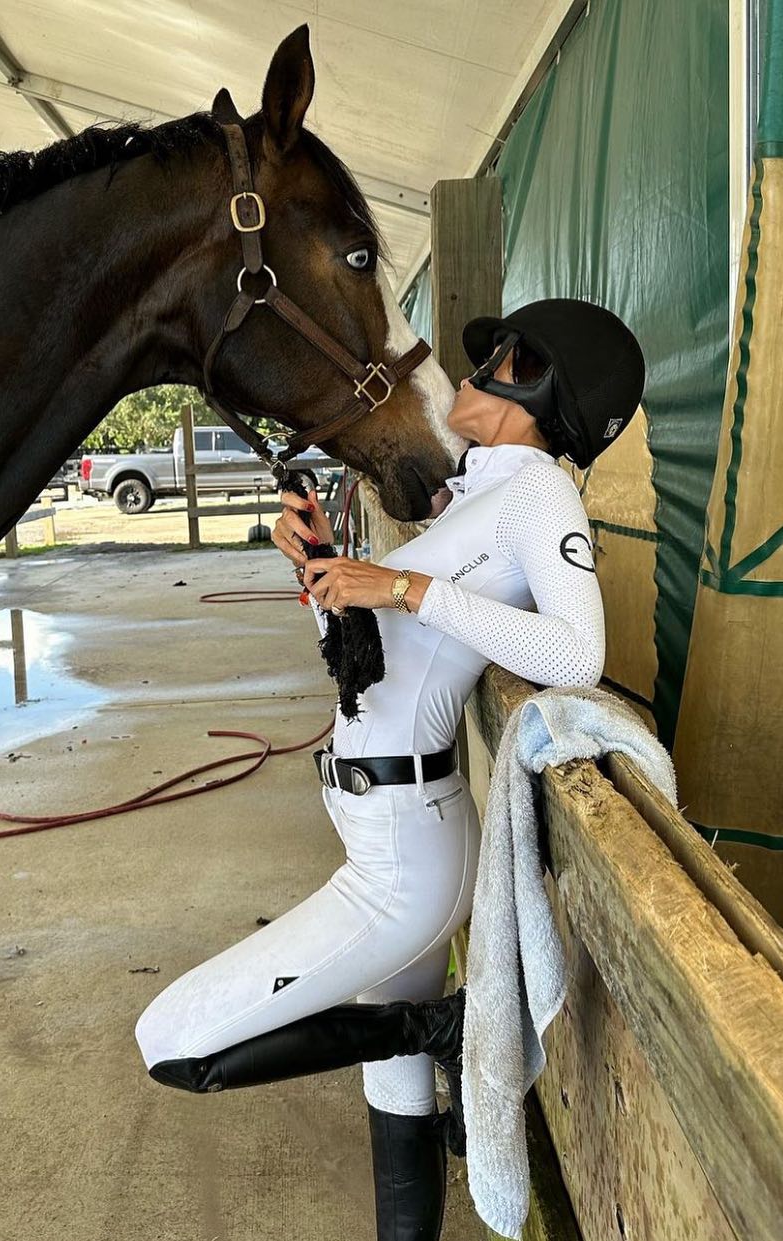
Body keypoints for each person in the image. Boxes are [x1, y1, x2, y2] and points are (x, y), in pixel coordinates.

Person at [135, 298, 646, 1239]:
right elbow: (370, 668)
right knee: (393, 1082)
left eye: (499, 353)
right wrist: (324, 574)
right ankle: (422, 1050)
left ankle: (443, 1027)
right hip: (381, 813)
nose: (472, 367)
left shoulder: (538, 493)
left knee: (172, 1042)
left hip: (407, 852)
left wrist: (405, 584)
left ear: (537, 378)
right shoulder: (475, 500)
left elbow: (576, 654)